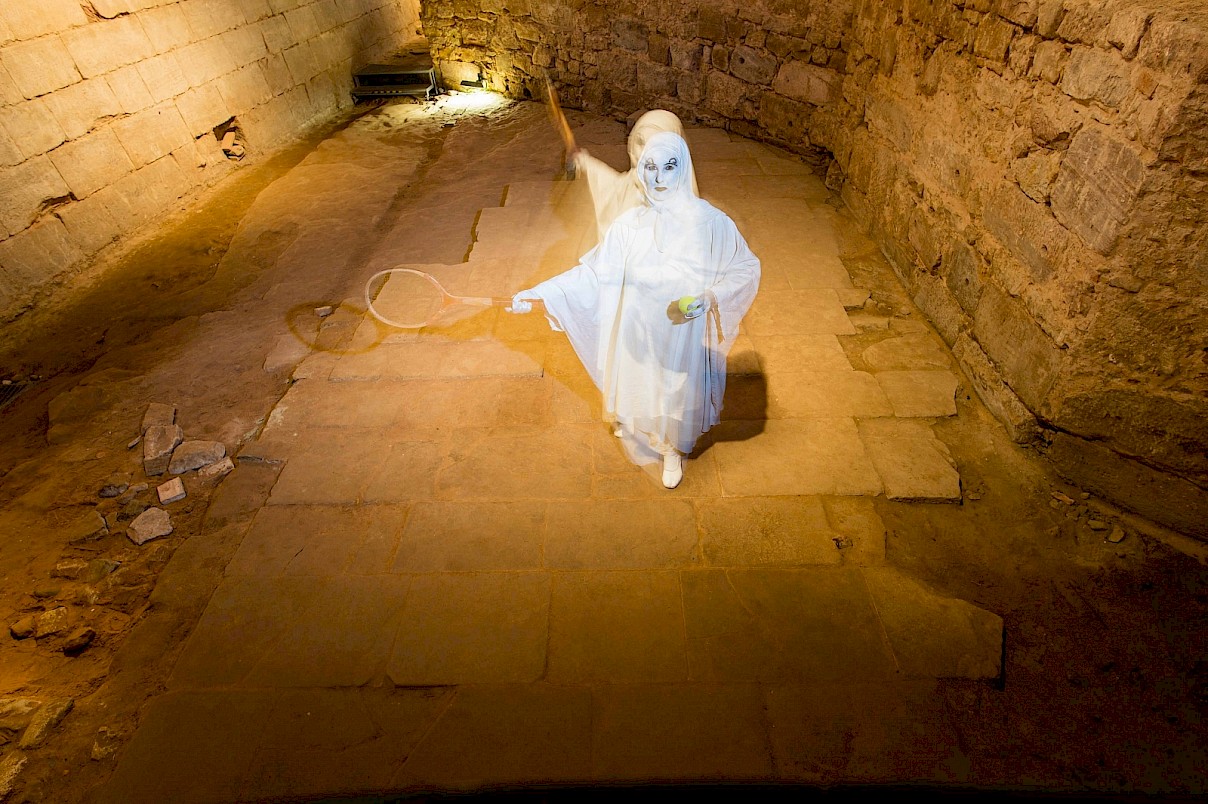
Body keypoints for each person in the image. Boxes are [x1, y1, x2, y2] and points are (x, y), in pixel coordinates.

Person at [510, 131, 760, 489]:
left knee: (675, 390)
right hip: (638, 329)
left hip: (681, 335)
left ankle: (672, 448)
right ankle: (642, 424)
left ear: (683, 167)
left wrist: (713, 295)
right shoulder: (628, 227)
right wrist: (543, 294)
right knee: (640, 382)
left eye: (670, 167)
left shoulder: (711, 223)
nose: (659, 179)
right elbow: (595, 273)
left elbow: (745, 267)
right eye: (651, 168)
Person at [572, 109, 699, 242]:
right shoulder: (635, 180)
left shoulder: (678, 200)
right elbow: (613, 189)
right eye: (640, 143)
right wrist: (585, 162)